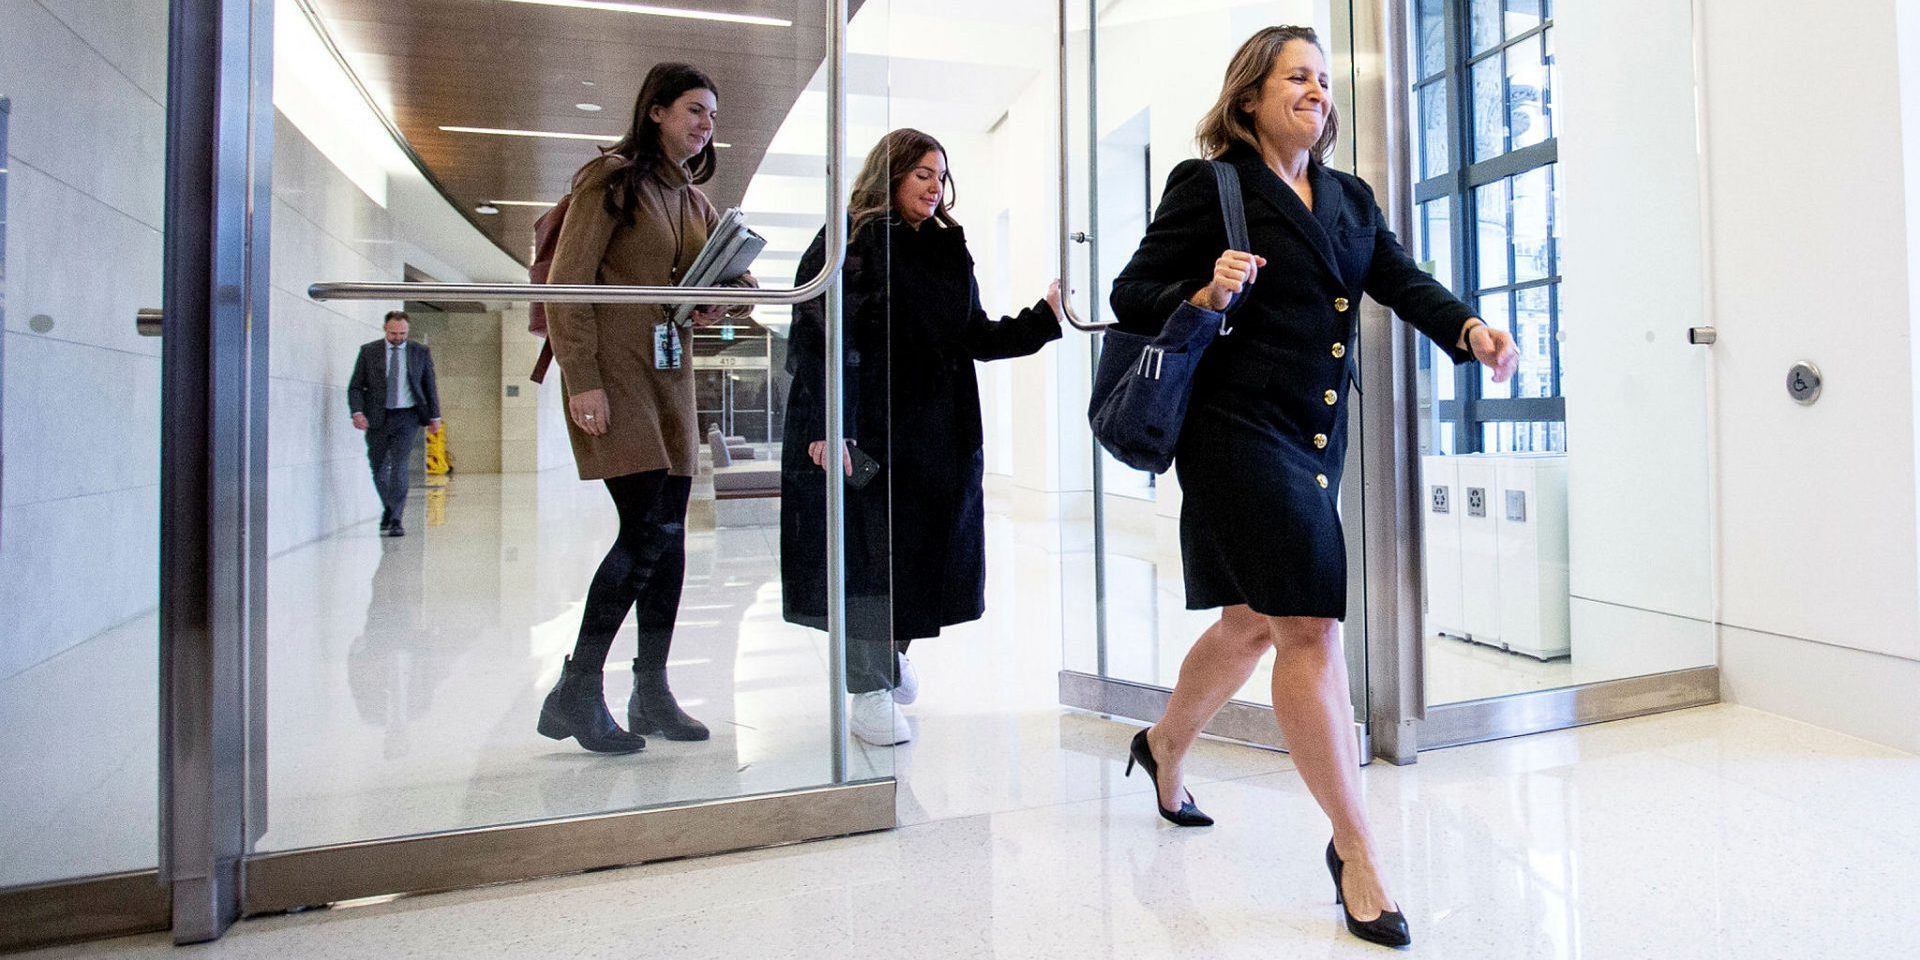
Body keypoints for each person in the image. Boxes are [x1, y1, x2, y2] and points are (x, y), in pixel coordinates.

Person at [1108, 26, 1518, 949]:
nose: (1318, 93)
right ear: (1249, 95)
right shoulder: (1208, 186)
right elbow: (1133, 292)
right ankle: (1357, 851)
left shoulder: (1345, 197)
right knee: (1309, 626)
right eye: (1298, 76)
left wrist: (1470, 331)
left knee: (1252, 621)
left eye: (1325, 81)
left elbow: (1400, 279)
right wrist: (1204, 291)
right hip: (1233, 432)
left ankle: (1166, 742)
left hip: (1313, 435)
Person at [780, 128, 1062, 747]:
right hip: (871, 428)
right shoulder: (847, 241)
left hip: (937, 431)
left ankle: (892, 655)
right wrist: (834, 427)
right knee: (868, 558)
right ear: (891, 176)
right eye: (922, 176)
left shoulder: (947, 249)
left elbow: (974, 335)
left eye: (941, 176)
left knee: (921, 556)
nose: (935, 188)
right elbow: (817, 341)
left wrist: (1044, 319)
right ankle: (870, 687)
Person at [536, 62, 754, 754]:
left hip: (671, 376)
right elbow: (568, 284)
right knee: (644, 533)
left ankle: (651, 690)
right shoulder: (612, 180)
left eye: (712, 116)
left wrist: (729, 296)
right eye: (694, 110)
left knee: (670, 538)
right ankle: (578, 684)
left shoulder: (693, 201)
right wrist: (582, 381)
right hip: (618, 371)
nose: (705, 125)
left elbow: (744, 280)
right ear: (655, 110)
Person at [347, 310, 442, 538]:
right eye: (394, 333)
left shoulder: (420, 352)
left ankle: (397, 518)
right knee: (378, 468)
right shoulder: (369, 352)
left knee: (399, 466)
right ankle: (389, 509)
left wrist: (434, 416)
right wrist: (357, 412)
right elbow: (356, 386)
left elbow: (429, 385)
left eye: (403, 333)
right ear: (385, 329)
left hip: (407, 417)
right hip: (377, 417)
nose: (398, 337)